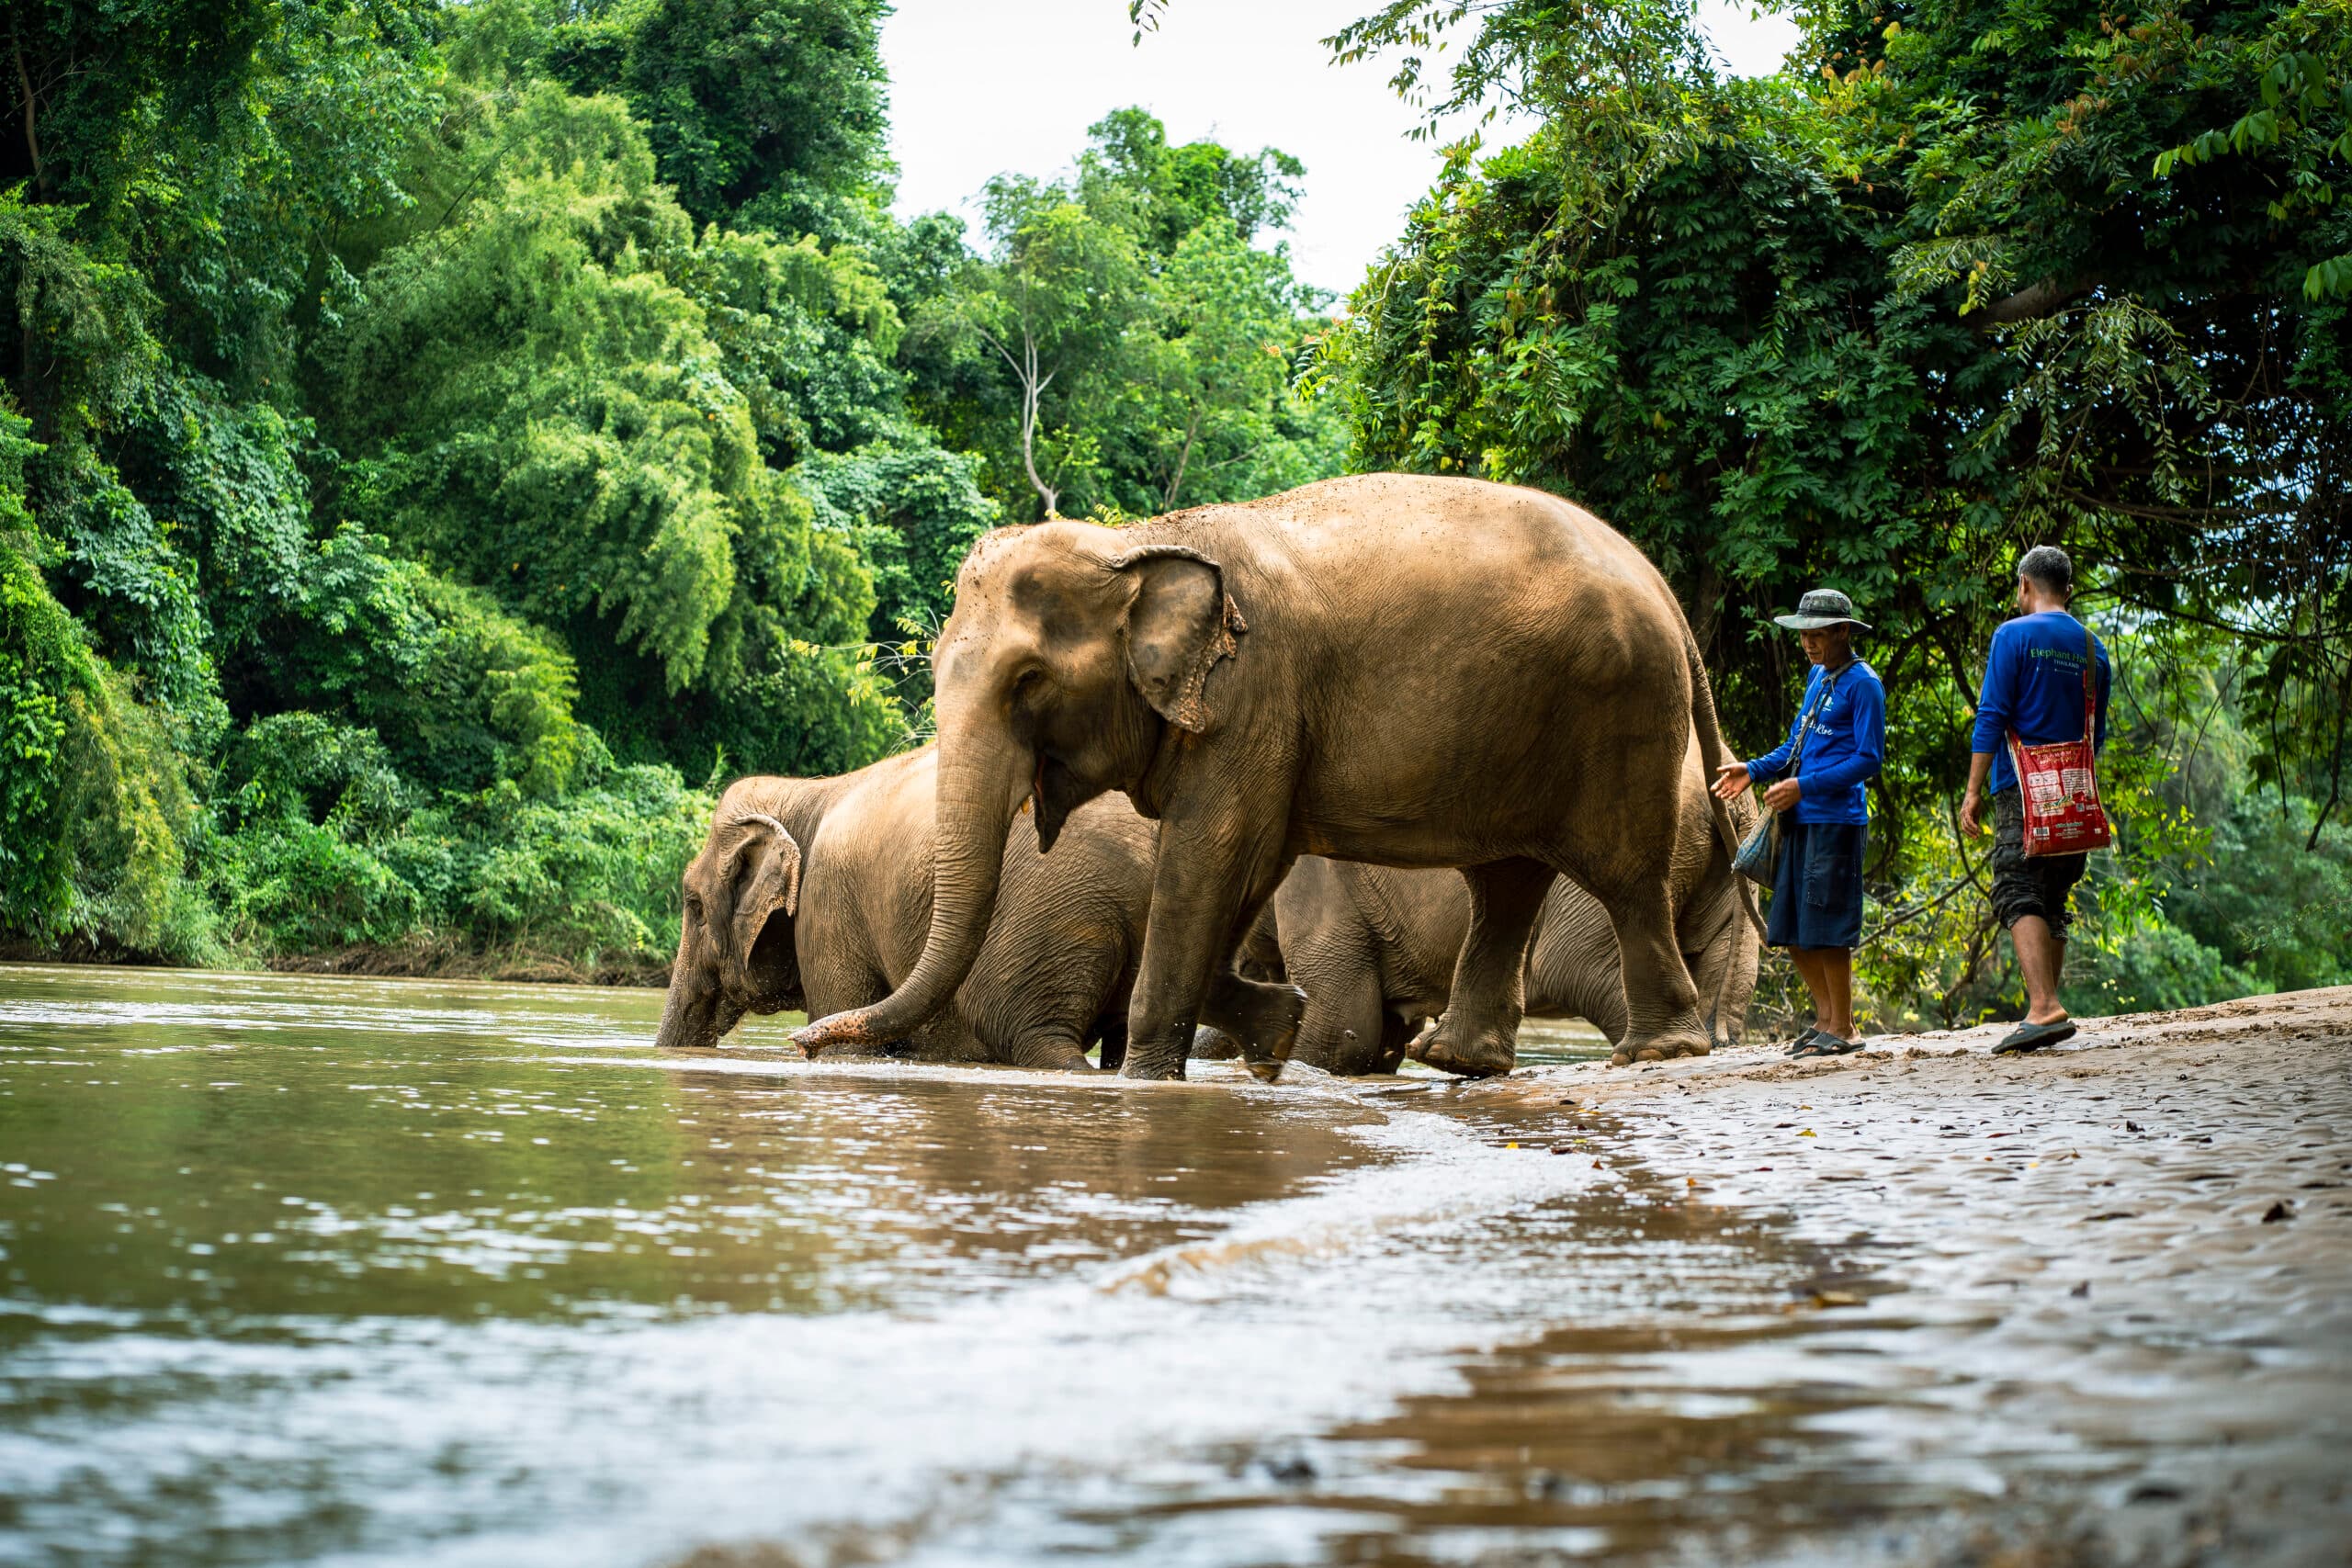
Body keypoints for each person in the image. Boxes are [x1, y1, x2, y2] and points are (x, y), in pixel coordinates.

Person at [1713, 589, 1886, 1057]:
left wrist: (1804, 787)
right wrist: (1753, 768)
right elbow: (1794, 747)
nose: (1808, 643)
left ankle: (1845, 1028)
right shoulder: (1817, 678)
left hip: (1837, 821)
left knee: (1827, 927)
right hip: (1801, 820)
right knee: (1789, 927)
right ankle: (1826, 1019)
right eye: (1803, 634)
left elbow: (1869, 759)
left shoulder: (1864, 685)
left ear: (1843, 632)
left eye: (1817, 635)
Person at [1960, 545, 2112, 1055]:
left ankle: (2043, 1007)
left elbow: (1992, 716)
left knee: (2016, 888)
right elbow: (2098, 734)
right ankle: (2049, 1006)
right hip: (2076, 789)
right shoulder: (2095, 649)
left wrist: (1973, 792)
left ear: (2025, 585)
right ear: (2068, 590)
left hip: (2021, 789)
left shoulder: (2012, 635)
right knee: (2055, 897)